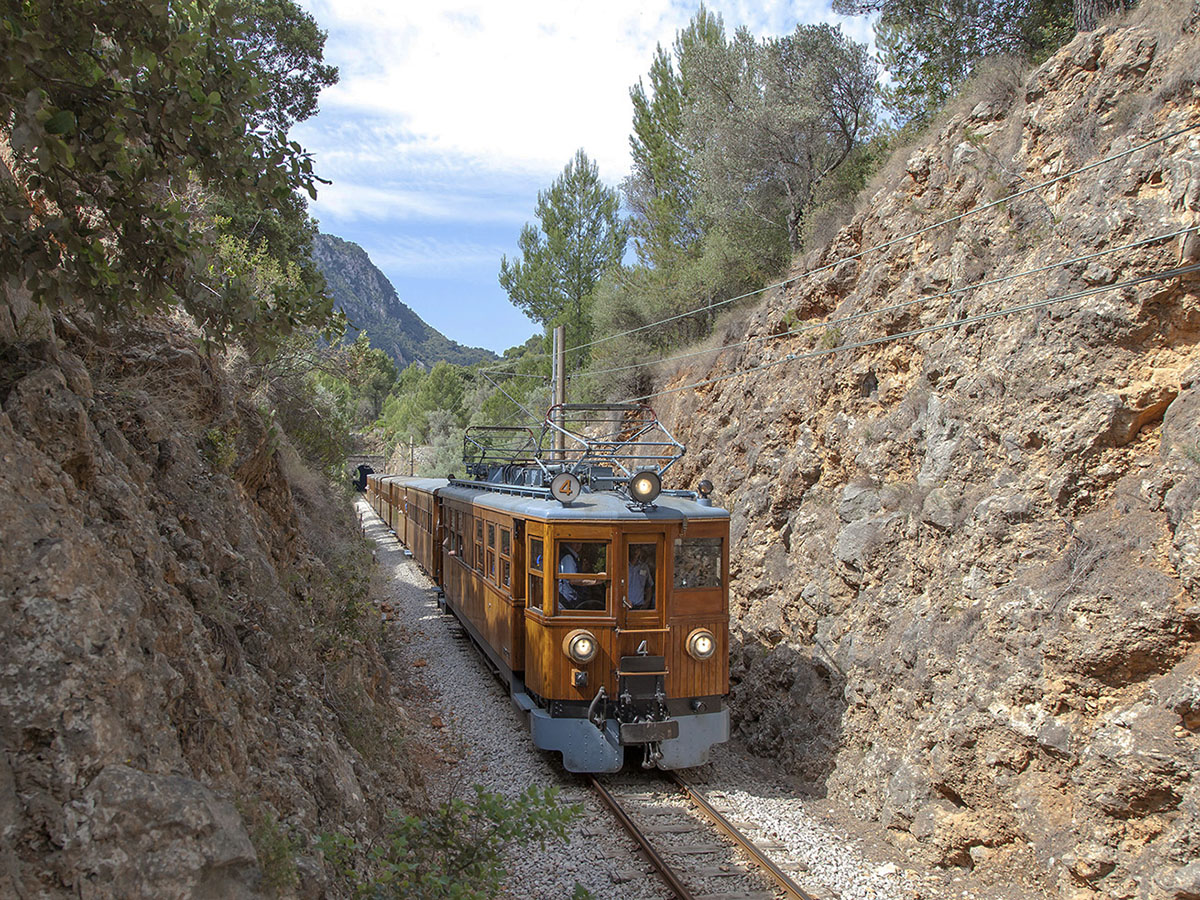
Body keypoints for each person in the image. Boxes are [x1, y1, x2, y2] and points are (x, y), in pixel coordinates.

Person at [627, 545, 654, 610]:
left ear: (640, 551)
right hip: (624, 607)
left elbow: (649, 586)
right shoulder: (622, 567)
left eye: (637, 548)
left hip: (639, 607)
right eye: (633, 548)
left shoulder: (644, 567)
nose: (635, 551)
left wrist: (647, 603)